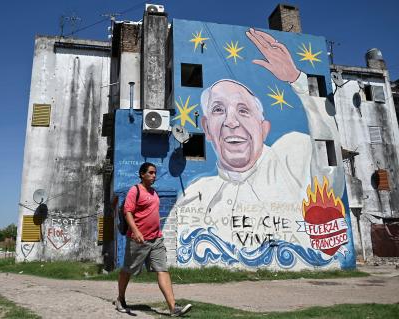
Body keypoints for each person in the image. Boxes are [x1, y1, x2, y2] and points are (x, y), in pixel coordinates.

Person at [174, 29, 345, 262]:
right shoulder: (194, 194)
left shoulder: (293, 154)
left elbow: (331, 175)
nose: (230, 122)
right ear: (206, 129)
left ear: (264, 129)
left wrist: (298, 81)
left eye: (243, 110)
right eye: (218, 110)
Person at [115, 162, 192, 317]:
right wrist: (136, 231)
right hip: (138, 240)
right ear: (142, 174)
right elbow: (128, 212)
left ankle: (173, 307)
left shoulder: (154, 192)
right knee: (128, 270)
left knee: (162, 270)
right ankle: (120, 299)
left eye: (155, 173)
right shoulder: (134, 191)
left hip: (156, 239)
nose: (153, 175)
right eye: (150, 172)